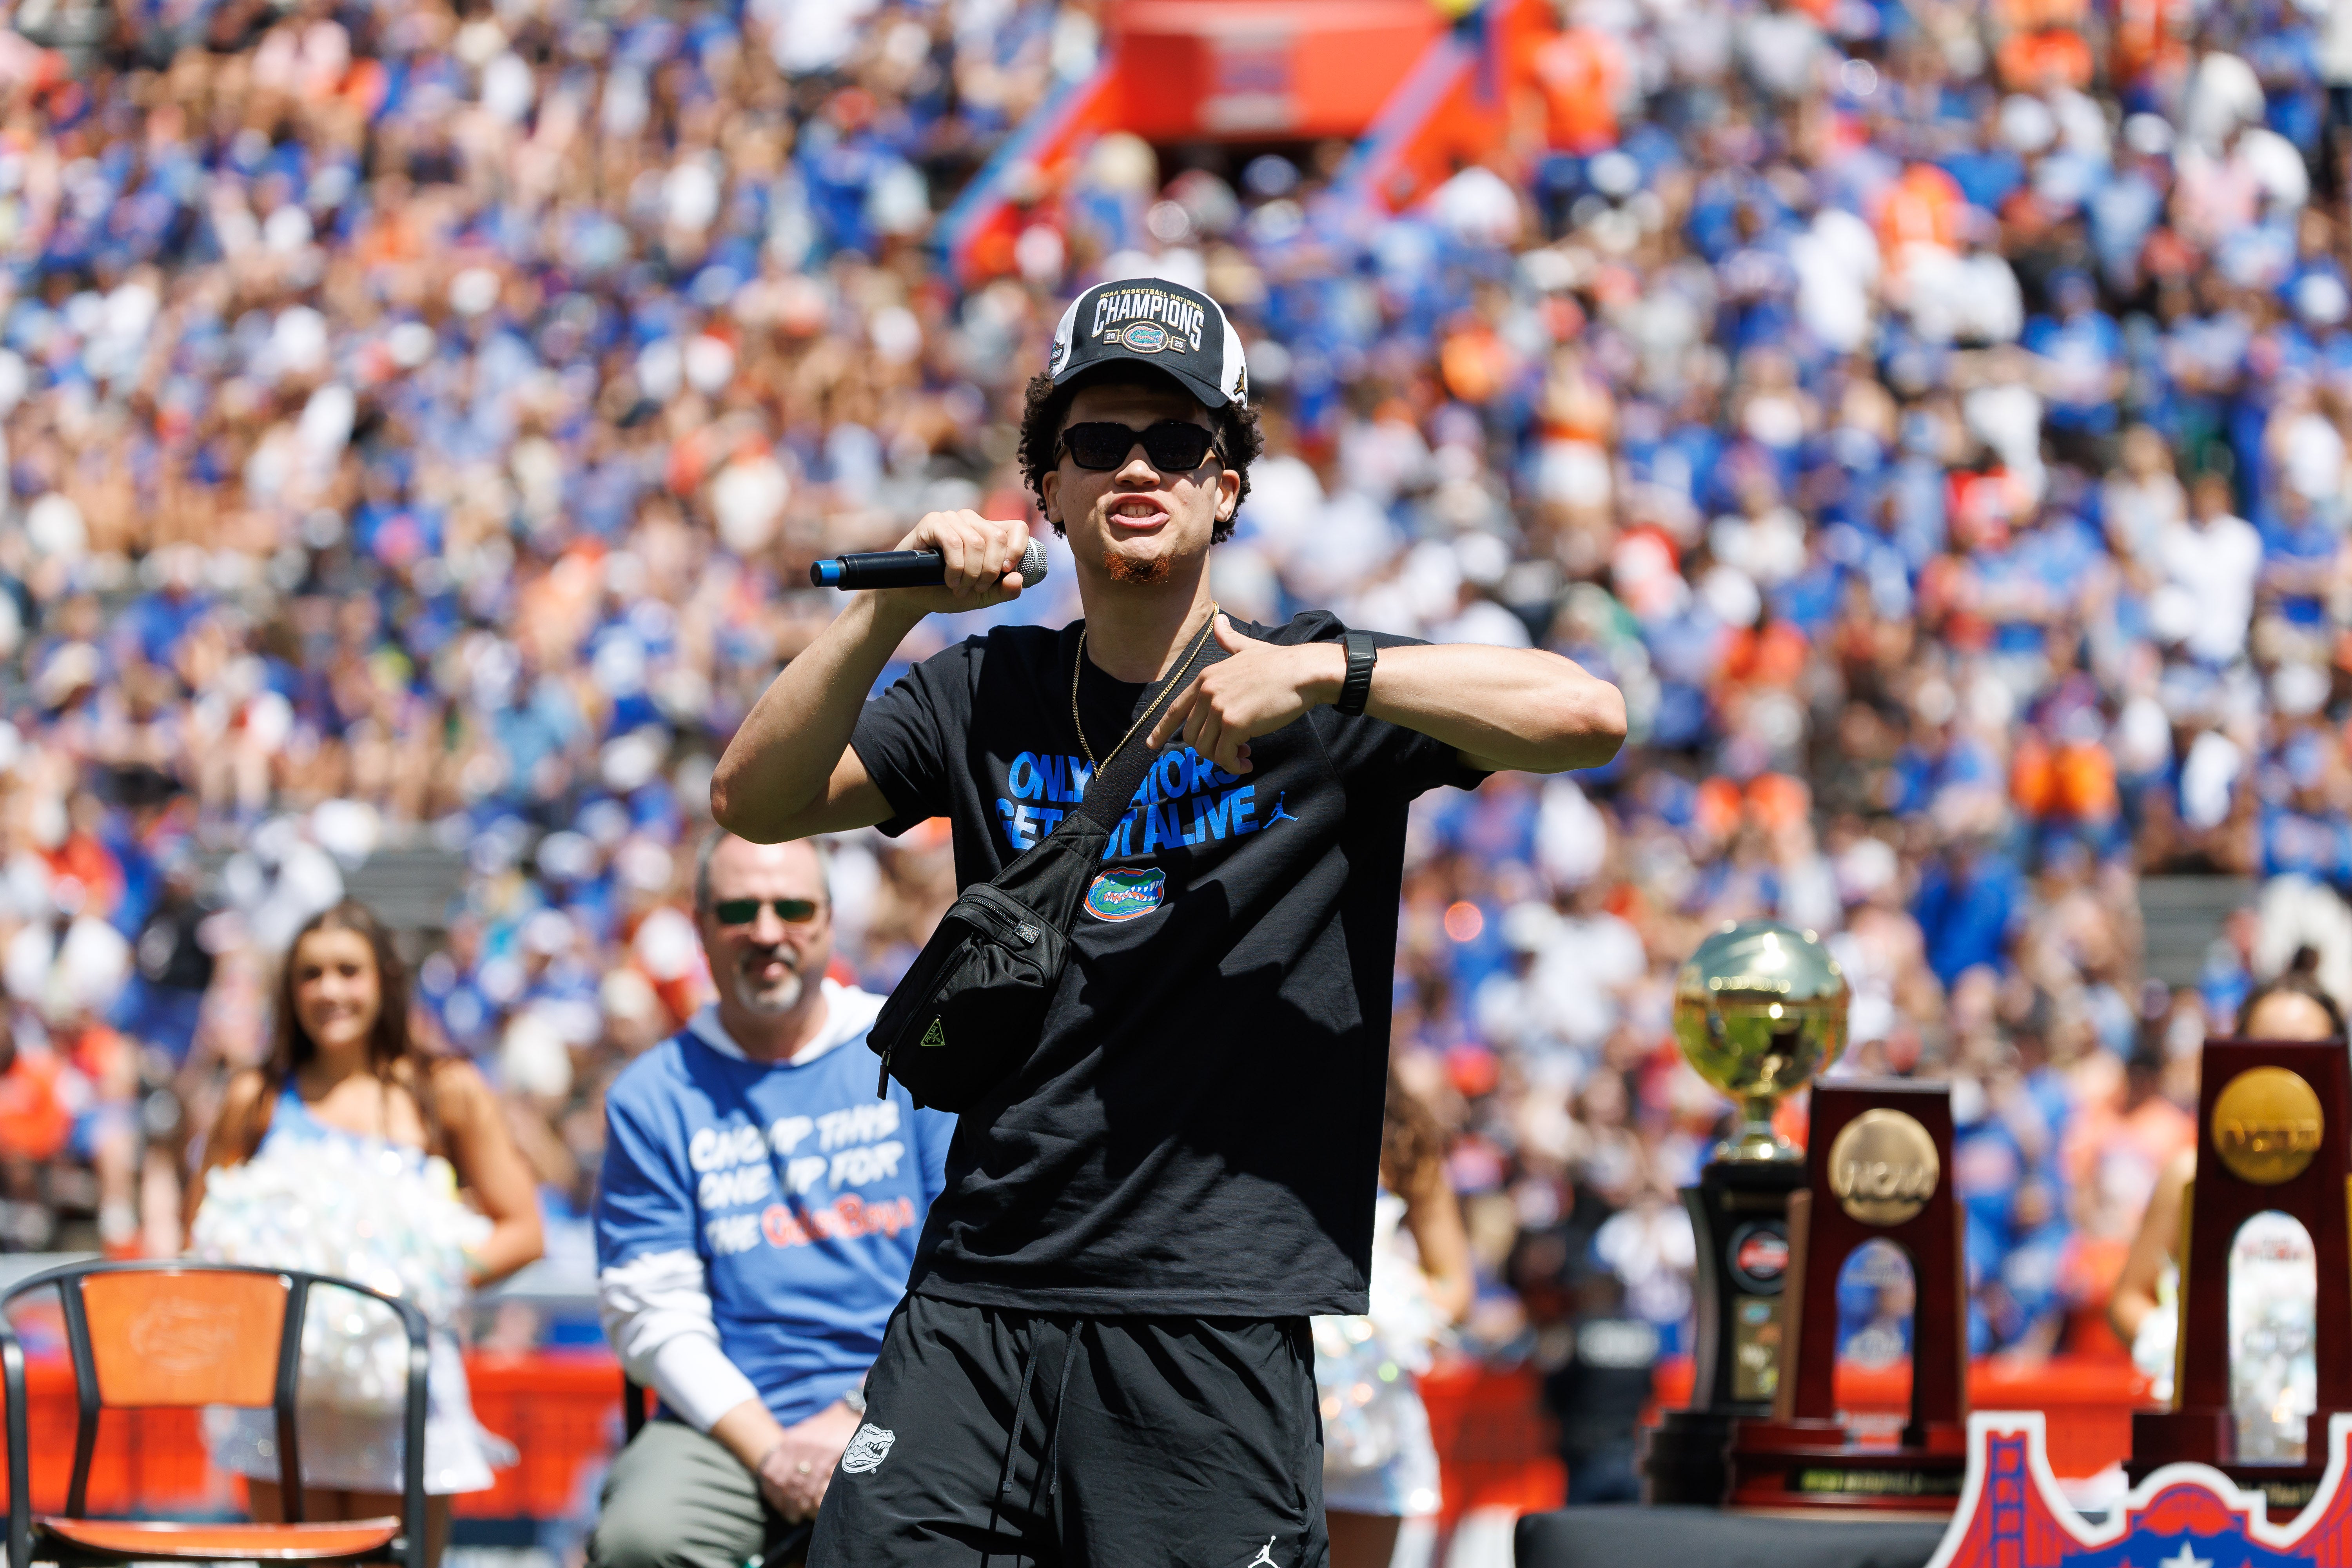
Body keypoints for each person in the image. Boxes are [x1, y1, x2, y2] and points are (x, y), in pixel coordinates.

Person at [711, 276, 1626, 1568]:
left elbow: (1590, 713)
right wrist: (891, 610)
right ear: (1050, 486)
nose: (1137, 467)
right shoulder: (983, 690)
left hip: (1214, 1314)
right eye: (1097, 443)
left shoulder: (1319, 684)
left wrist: (1326, 671)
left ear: (1229, 483)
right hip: (983, 1291)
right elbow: (754, 797)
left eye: (1178, 442)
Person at [589, 833, 953, 1568]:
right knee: (642, 1539)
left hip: (916, 1397)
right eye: (738, 910)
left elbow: (965, 1259)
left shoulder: (912, 1049)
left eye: (792, 907)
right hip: (730, 1425)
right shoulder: (651, 1096)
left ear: (828, 919)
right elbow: (653, 1312)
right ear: (699, 926)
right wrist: (771, 1451)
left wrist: (858, 1409)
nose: (766, 932)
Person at [188, 901, 544, 1565]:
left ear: (384, 979)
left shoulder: (447, 1091)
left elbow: (524, 1230)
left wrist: (412, 1286)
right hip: (284, 1398)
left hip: (402, 1388)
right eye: (310, 975)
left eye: (348, 971)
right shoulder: (255, 1099)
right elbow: (206, 1233)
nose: (330, 991)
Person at [2108, 969, 2346, 1352]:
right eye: (2268, 1051)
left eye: (2308, 1054)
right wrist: (2184, 1356)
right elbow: (2129, 1300)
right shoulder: (2191, 1176)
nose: (2287, 1072)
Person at [1319, 1069, 1472, 1568]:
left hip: (1372, 1410)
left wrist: (1387, 1308)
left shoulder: (1407, 1146)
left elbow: (1456, 1287)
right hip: (1279, 1397)